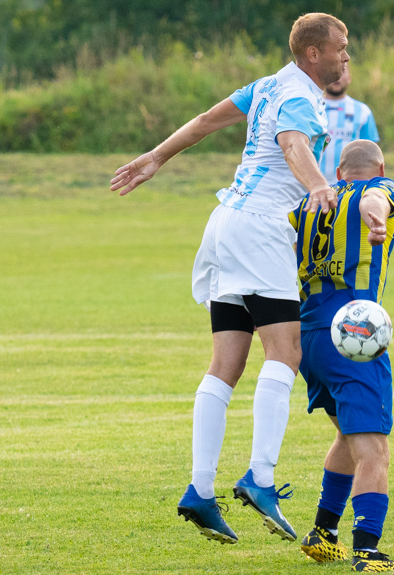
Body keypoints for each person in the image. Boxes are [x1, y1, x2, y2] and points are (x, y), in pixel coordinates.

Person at [110, 13, 350, 544]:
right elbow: (293, 144)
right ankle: (260, 478)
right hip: (261, 229)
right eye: (341, 47)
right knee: (285, 354)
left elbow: (202, 122)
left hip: (223, 224)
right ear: (313, 54)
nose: (346, 57)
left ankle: (199, 490)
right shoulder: (300, 98)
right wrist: (316, 186)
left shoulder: (265, 85)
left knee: (226, 363)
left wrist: (157, 156)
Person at [290, 140, 394, 572]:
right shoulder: (380, 187)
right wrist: (375, 214)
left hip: (309, 335)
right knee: (375, 450)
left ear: (338, 173)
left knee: (348, 435)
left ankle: (323, 534)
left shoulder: (308, 204)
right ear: (379, 167)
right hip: (354, 333)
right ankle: (368, 551)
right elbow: (379, 199)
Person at [319, 67, 380, 184]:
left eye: (342, 72)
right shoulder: (311, 108)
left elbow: (372, 152)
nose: (337, 77)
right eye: (332, 72)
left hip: (350, 185)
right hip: (313, 185)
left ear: (349, 78)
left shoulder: (363, 111)